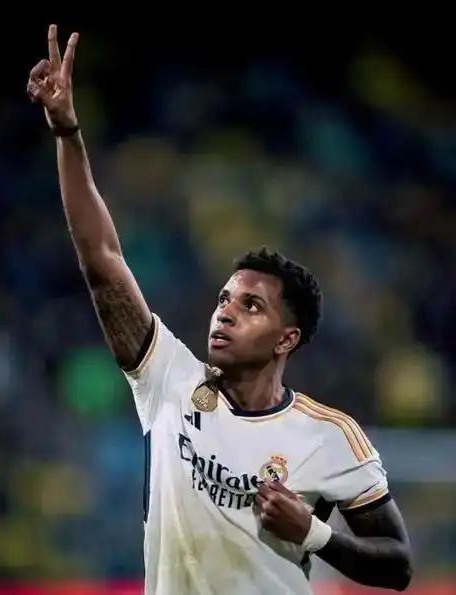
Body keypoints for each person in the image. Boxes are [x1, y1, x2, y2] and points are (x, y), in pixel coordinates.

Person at [27, 25, 413, 595]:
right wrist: (67, 132)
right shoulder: (169, 381)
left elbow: (398, 566)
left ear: (286, 338)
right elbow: (102, 259)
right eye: (224, 299)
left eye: (250, 306)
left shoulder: (329, 436)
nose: (225, 314)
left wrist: (314, 534)